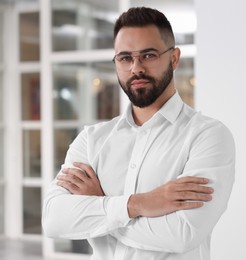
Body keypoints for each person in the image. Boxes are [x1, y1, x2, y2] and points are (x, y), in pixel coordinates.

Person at [42, 6, 235, 260]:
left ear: (174, 58)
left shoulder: (208, 136)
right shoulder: (92, 140)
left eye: (149, 55)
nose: (136, 68)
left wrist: (100, 204)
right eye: (125, 58)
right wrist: (139, 204)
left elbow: (182, 234)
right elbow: (55, 219)